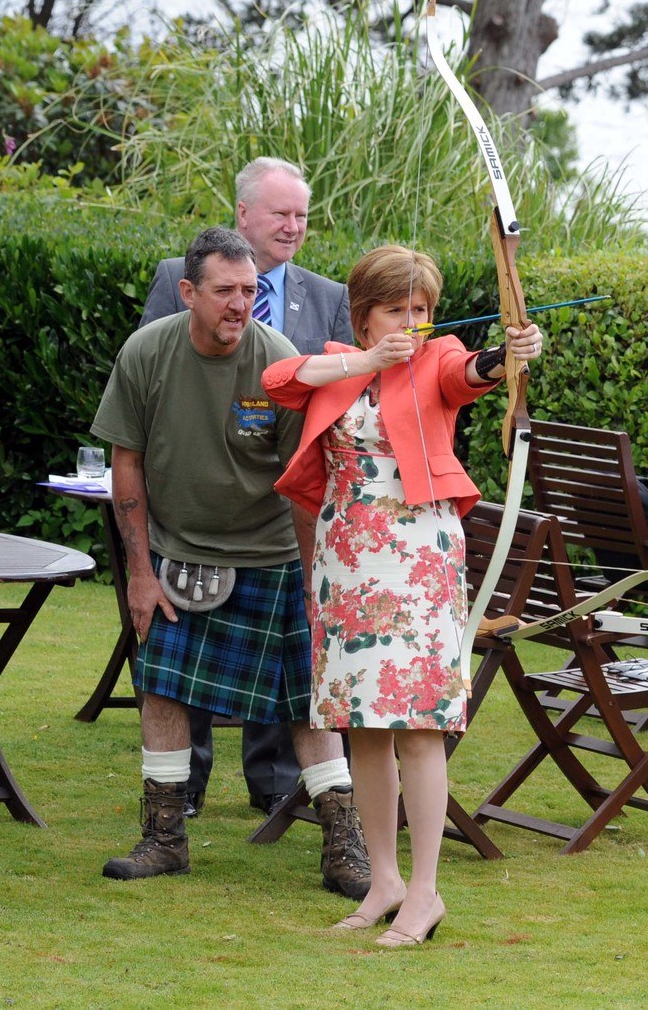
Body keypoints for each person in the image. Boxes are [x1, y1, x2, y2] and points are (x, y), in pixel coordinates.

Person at [263, 244, 542, 946]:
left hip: (417, 561)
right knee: (364, 723)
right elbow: (276, 378)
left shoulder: (436, 356)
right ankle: (383, 878)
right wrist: (366, 362)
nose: (413, 324)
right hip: (347, 560)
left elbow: (469, 370)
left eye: (421, 310)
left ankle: (425, 891)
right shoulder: (339, 365)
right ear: (364, 318)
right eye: (398, 310)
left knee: (418, 726)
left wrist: (510, 352)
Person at [93, 227, 371, 898]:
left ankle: (343, 844)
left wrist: (315, 584)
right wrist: (138, 569)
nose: (240, 303)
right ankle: (164, 837)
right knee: (161, 686)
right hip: (179, 550)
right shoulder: (148, 353)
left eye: (250, 290)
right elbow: (124, 463)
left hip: (270, 552)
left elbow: (307, 481)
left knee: (308, 704)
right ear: (188, 292)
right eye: (225, 290)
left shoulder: (276, 360)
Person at [139, 157, 352, 817]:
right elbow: (150, 377)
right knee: (178, 676)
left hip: (278, 521)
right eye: (281, 213)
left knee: (289, 673)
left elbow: (339, 405)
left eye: (302, 216)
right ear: (243, 214)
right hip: (190, 520)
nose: (293, 226)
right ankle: (182, 795)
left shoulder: (327, 296)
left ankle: (280, 784)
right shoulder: (173, 279)